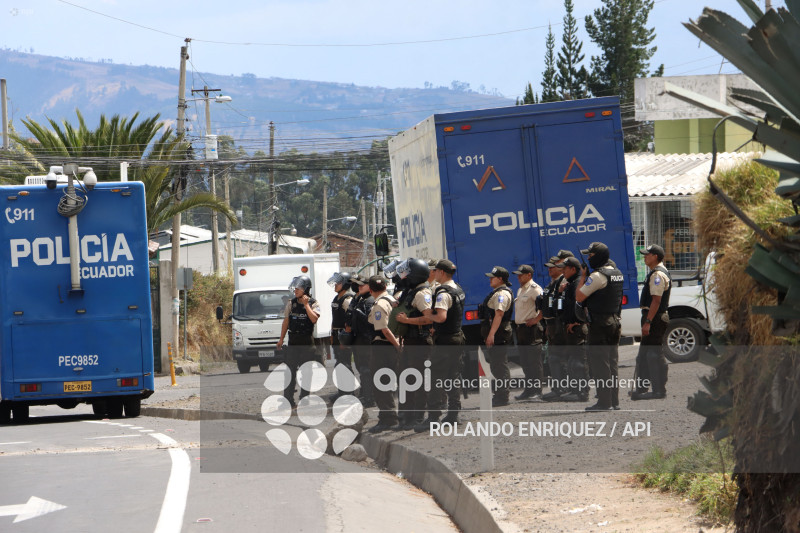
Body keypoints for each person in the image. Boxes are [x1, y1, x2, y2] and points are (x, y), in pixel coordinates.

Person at [415, 259, 465, 431]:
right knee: (453, 377)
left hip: (446, 341)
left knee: (435, 379)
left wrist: (429, 317)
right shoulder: (457, 288)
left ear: (442, 272)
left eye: (435, 271)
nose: (434, 273)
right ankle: (453, 414)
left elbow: (442, 317)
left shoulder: (443, 293)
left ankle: (434, 417)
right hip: (457, 337)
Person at [576, 242, 624, 411]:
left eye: (591, 255)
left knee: (600, 364)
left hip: (600, 324)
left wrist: (583, 277)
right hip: (614, 322)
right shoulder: (617, 273)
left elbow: (580, 296)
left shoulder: (597, 276)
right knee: (612, 363)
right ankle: (614, 401)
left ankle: (604, 402)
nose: (588, 258)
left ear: (599, 256)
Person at [394, 258, 434, 430]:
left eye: (407, 273)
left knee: (419, 380)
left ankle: (419, 417)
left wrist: (407, 320)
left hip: (420, 342)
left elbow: (428, 318)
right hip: (409, 342)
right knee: (407, 380)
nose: (403, 277)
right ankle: (407, 417)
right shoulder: (411, 291)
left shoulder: (422, 293)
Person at [632, 244, 671, 400]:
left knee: (654, 354)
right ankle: (642, 388)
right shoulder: (655, 273)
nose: (645, 257)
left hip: (654, 316)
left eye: (647, 254)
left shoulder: (657, 275)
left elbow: (656, 300)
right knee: (644, 354)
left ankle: (659, 390)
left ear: (655, 256)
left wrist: (648, 321)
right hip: (651, 315)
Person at [276, 275, 321, 408]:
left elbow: (314, 319)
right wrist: (280, 339)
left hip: (306, 341)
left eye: (299, 287)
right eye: (295, 287)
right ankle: (288, 400)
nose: (296, 289)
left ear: (306, 289)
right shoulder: (291, 303)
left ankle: (305, 398)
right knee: (289, 372)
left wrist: (306, 305)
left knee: (307, 372)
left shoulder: (314, 303)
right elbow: (286, 321)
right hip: (293, 341)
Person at [366, 275, 401, 433]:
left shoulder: (379, 304)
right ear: (386, 286)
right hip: (395, 344)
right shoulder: (393, 300)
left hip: (384, 346)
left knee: (381, 384)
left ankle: (388, 419)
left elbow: (384, 330)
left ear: (371, 289)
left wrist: (396, 346)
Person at [481, 266, 515, 407]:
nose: (490, 279)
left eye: (492, 277)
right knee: (496, 364)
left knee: (499, 365)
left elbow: (499, 314)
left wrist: (491, 334)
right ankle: (500, 394)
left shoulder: (502, 294)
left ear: (500, 279)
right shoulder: (497, 292)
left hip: (500, 332)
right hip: (498, 331)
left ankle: (502, 396)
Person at [557, 257, 590, 402]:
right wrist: (559, 293)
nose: (562, 270)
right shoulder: (568, 284)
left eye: (565, 268)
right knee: (572, 362)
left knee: (578, 362)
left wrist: (577, 321)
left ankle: (582, 392)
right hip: (569, 327)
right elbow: (560, 307)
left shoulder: (577, 282)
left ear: (573, 269)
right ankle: (575, 390)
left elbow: (582, 305)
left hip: (576, 328)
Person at [513, 265, 545, 401]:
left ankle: (537, 391)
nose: (518, 277)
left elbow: (544, 306)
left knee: (534, 362)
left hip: (531, 329)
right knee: (525, 361)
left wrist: (536, 319)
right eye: (518, 275)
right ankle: (529, 389)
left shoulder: (535, 289)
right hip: (521, 329)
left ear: (529, 275)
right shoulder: (521, 289)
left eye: (521, 274)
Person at [347, 275, 376, 408]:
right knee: (362, 368)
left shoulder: (370, 301)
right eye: (358, 286)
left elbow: (372, 322)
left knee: (366, 370)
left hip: (366, 339)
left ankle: (370, 398)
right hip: (358, 339)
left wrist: (361, 315)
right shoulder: (360, 299)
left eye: (361, 285)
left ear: (369, 286)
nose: (358, 288)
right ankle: (365, 395)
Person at [328, 272, 354, 398]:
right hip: (336, 334)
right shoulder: (337, 298)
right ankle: (342, 391)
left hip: (343, 336)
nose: (335, 285)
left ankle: (349, 392)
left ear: (345, 284)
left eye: (338, 283)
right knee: (339, 364)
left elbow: (349, 321)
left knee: (345, 364)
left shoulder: (347, 299)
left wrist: (345, 339)